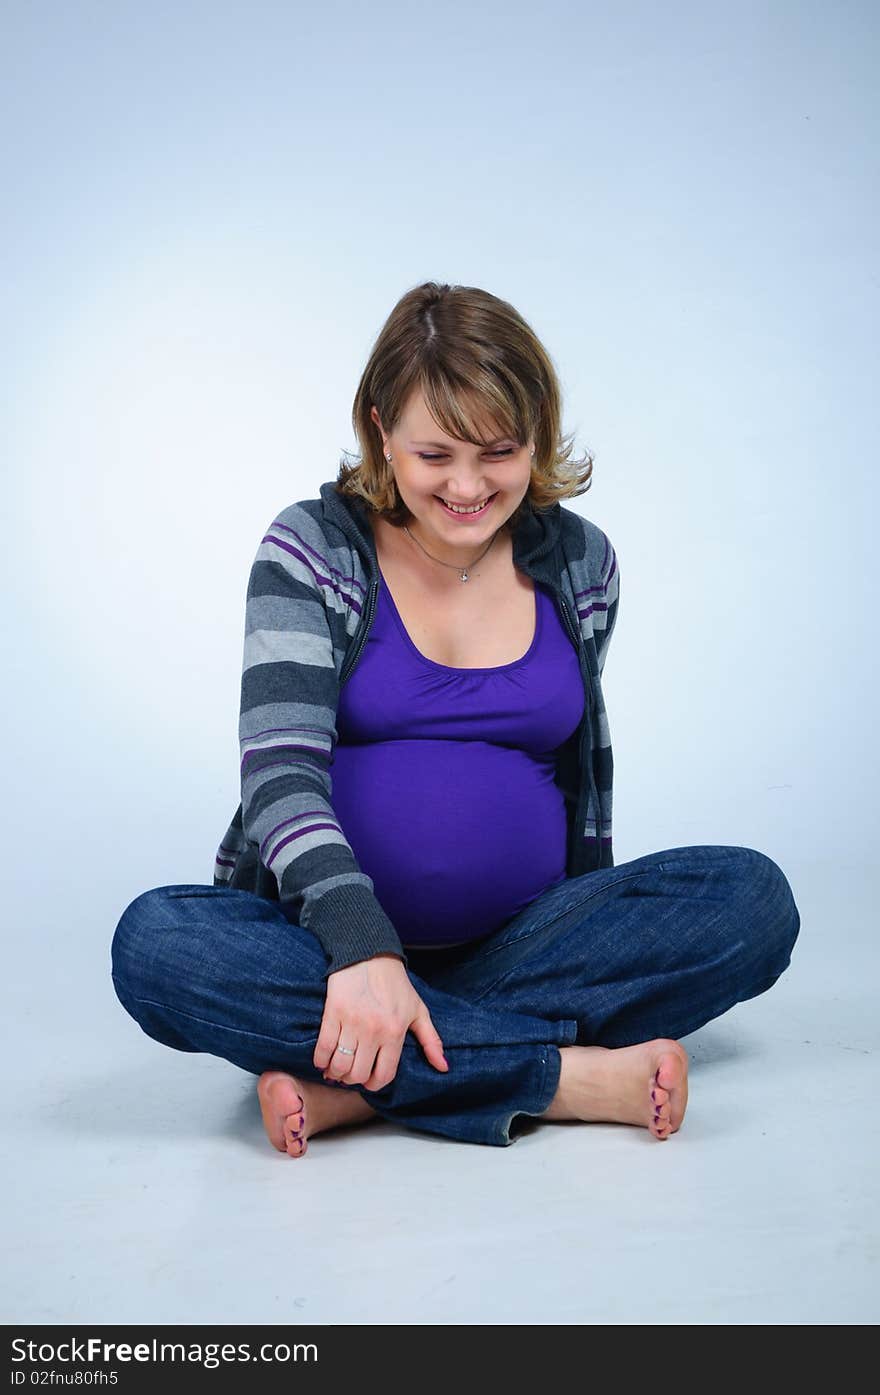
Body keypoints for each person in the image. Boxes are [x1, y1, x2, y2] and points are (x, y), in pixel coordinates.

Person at [110, 281, 801, 1154]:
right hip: (324, 951)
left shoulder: (582, 562)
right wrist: (364, 950)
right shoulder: (311, 548)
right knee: (157, 943)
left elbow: (564, 770)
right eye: (435, 455)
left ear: (539, 436)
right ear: (379, 431)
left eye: (499, 452)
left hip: (526, 944)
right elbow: (277, 774)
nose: (469, 487)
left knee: (753, 900)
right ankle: (558, 1077)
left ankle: (363, 1086)